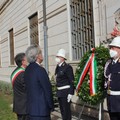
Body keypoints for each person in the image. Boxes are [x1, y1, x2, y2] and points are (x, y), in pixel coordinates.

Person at [24, 44, 54, 120]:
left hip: (31, 110)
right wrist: (51, 106)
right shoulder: (40, 70)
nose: (42, 54)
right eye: (40, 52)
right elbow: (47, 90)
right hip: (41, 111)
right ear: (37, 56)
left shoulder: (27, 69)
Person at [55, 48, 74, 120]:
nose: (57, 58)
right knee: (62, 111)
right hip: (60, 92)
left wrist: (71, 93)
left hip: (65, 92)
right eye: (57, 56)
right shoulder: (58, 66)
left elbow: (71, 80)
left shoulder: (67, 67)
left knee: (66, 111)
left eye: (58, 57)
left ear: (62, 58)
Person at [104, 36, 120, 120]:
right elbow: (106, 80)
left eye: (113, 48)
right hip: (111, 98)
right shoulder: (108, 63)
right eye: (110, 48)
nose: (111, 50)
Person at [11, 53, 28, 120]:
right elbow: (28, 88)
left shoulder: (15, 71)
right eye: (27, 59)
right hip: (24, 106)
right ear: (23, 62)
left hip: (19, 104)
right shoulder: (22, 74)